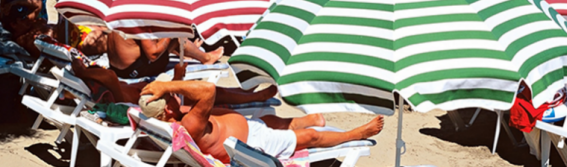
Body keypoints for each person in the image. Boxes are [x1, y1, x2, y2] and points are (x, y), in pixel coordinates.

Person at [137, 79, 384, 162]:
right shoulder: (189, 124)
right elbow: (208, 90)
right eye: (169, 97)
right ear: (167, 109)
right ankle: (356, 134)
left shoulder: (175, 117)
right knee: (310, 137)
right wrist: (167, 85)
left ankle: (307, 120)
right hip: (252, 144)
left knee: (268, 119)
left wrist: (174, 80)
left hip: (250, 130)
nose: (173, 95)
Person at [70, 57, 277, 106]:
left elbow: (108, 76)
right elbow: (171, 104)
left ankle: (247, 93)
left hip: (157, 92)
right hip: (164, 101)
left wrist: (84, 71)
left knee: (217, 91)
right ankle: (254, 96)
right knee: (214, 92)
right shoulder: (117, 94)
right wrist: (177, 78)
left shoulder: (105, 89)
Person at [78, 28, 224, 80]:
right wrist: (172, 31)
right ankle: (206, 58)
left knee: (165, 37)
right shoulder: (140, 19)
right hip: (133, 72)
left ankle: (191, 53)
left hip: (118, 69)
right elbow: (153, 54)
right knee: (175, 36)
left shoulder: (122, 13)